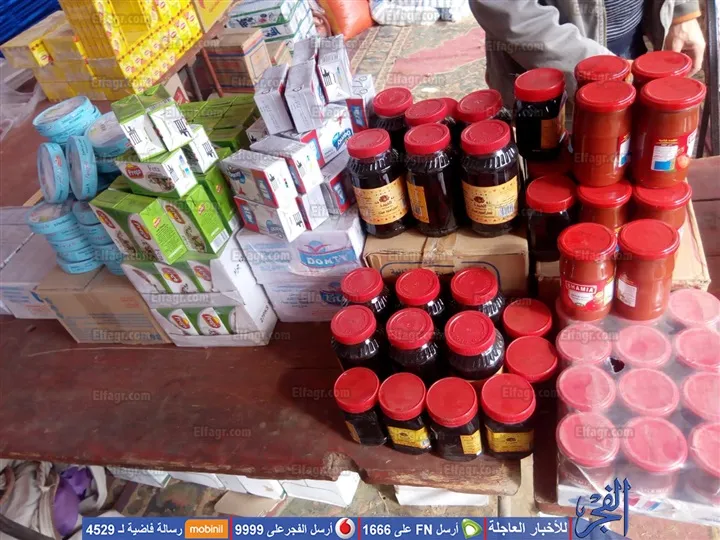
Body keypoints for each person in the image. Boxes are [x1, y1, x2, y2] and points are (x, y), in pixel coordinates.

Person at [470, 0, 707, 106]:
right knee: (563, 164)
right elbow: (504, 5)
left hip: (633, 50)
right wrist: (595, 69)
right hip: (549, 81)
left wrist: (680, 10)